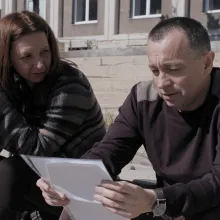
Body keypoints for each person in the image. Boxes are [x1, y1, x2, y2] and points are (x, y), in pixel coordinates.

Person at [37, 16, 220, 220]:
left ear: (207, 62)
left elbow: (217, 185)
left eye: (174, 70)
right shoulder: (144, 97)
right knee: (82, 205)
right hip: (167, 205)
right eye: (154, 70)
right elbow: (110, 150)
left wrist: (155, 200)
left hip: (207, 206)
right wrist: (67, 179)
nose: (161, 83)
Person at [0, 11, 106, 219]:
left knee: (9, 171)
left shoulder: (70, 85)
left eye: (45, 52)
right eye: (27, 56)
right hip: (43, 181)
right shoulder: (15, 83)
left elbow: (38, 150)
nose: (40, 64)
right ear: (8, 58)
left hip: (87, 186)